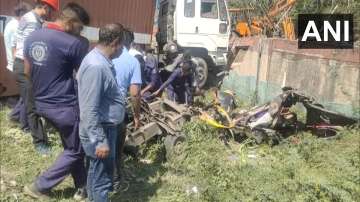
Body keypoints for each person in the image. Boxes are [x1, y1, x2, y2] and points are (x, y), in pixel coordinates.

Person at [22, 3, 89, 201]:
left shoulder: (33, 36)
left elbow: (26, 72)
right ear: (70, 22)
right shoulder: (73, 43)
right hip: (64, 105)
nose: (80, 32)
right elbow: (84, 77)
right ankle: (40, 186)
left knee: (71, 146)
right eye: (79, 27)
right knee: (78, 149)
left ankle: (82, 187)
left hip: (41, 102)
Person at [77, 23, 125, 202]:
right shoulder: (97, 66)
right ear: (116, 42)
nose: (123, 49)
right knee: (102, 180)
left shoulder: (99, 61)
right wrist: (99, 141)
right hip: (101, 130)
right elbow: (89, 108)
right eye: (123, 44)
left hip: (103, 128)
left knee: (95, 173)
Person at [13, 0, 59, 154]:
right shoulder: (32, 22)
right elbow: (30, 48)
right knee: (33, 105)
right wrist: (30, 71)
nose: (51, 13)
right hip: (26, 66)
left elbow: (15, 42)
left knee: (28, 100)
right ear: (44, 7)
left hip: (20, 64)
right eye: (50, 10)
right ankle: (40, 143)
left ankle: (25, 126)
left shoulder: (28, 17)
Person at [112, 29, 142, 189]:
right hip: (117, 112)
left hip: (95, 109)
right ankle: (115, 182)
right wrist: (137, 116)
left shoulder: (98, 56)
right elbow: (135, 94)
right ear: (130, 43)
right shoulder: (132, 62)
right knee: (116, 148)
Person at [4, 2, 32, 131]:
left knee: (24, 95)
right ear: (24, 15)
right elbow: (17, 48)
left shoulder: (10, 24)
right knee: (28, 97)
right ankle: (24, 124)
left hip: (13, 63)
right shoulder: (18, 26)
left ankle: (14, 115)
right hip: (18, 63)